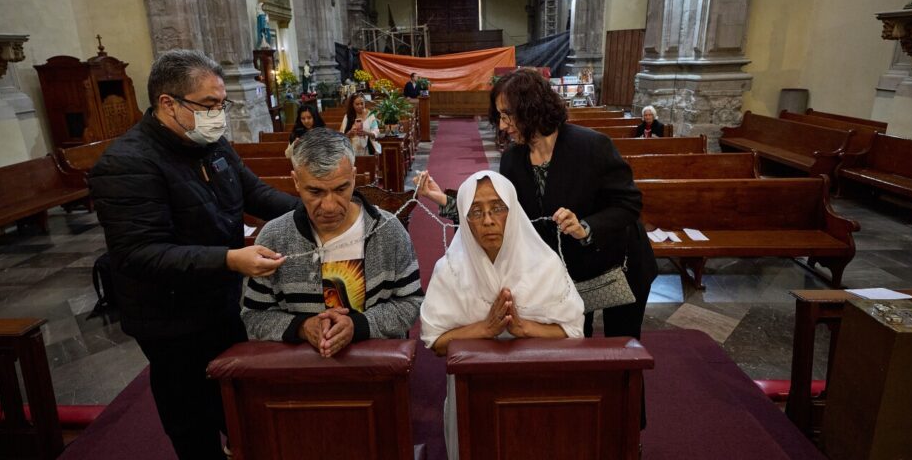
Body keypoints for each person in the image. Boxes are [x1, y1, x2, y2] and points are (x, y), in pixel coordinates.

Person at [89, 49, 298, 460]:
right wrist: (229, 259)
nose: (217, 115)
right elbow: (140, 254)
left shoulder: (212, 144)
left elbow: (255, 193)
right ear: (168, 103)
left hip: (220, 304)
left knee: (238, 405)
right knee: (193, 419)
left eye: (222, 104)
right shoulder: (125, 164)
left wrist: (316, 207)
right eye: (208, 105)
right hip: (170, 320)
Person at [417, 68, 657, 342]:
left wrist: (585, 227)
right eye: (500, 117)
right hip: (570, 270)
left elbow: (629, 203)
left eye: (508, 116)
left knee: (622, 347)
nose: (503, 126)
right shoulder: (513, 159)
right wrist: (446, 202)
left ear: (531, 108)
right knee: (577, 343)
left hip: (618, 262)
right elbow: (507, 214)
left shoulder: (591, 146)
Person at [420, 170, 584, 460]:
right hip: (473, 394)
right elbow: (435, 343)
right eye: (475, 211)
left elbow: (572, 331)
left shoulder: (544, 265)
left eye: (497, 208)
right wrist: (486, 329)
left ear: (514, 210)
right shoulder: (450, 271)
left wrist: (523, 328)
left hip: (535, 387)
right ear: (464, 218)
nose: (487, 220)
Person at [242, 128, 423, 354]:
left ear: (354, 177)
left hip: (374, 370)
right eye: (315, 192)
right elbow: (253, 315)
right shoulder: (274, 237)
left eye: (341, 189)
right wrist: (303, 327)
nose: (329, 206)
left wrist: (358, 326)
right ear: (296, 181)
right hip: (301, 375)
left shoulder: (387, 231)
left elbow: (410, 302)